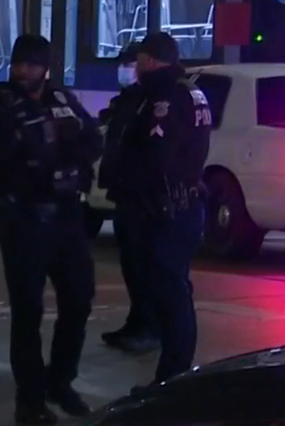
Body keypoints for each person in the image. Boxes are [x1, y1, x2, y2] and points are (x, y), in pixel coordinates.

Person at [0, 34, 102, 425]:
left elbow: (91, 138)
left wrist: (67, 162)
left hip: (65, 215)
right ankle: (29, 399)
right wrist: (18, 146)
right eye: (18, 64)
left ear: (46, 67)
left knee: (78, 299)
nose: (23, 71)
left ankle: (60, 381)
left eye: (31, 64)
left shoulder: (62, 100)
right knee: (28, 310)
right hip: (22, 218)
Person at [121, 32, 211, 391]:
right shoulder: (192, 91)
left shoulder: (165, 97)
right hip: (183, 204)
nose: (136, 68)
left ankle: (172, 379)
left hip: (168, 208)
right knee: (174, 290)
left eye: (140, 60)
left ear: (153, 61)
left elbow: (157, 156)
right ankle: (171, 374)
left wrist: (136, 186)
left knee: (171, 293)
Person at [97, 42, 159, 354]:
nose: (125, 69)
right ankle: (136, 322)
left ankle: (148, 327)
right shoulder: (128, 99)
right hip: (124, 193)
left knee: (143, 266)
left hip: (140, 196)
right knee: (131, 265)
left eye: (131, 63)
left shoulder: (147, 100)